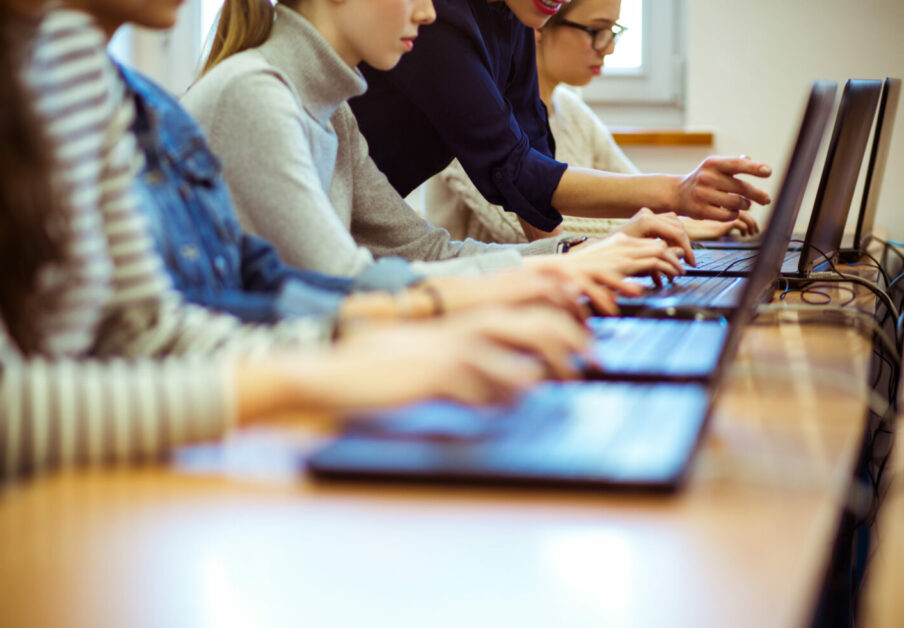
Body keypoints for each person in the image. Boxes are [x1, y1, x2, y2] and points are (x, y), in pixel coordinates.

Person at [0, 0, 589, 479]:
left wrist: (555, 264)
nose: (432, 13)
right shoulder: (249, 93)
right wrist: (333, 362)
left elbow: (151, 330)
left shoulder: (80, 72)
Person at [184, 0, 693, 314]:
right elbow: (347, 291)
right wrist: (556, 274)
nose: (429, 12)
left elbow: (426, 253)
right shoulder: (255, 95)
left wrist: (574, 255)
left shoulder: (333, 112)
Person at [349, 0, 773, 242]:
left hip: (364, 227)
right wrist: (675, 194)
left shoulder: (512, 21)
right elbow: (515, 169)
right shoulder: (441, 17)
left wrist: (567, 270)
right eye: (597, 30)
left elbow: (534, 175)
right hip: (336, 230)